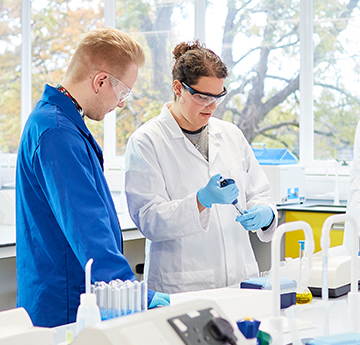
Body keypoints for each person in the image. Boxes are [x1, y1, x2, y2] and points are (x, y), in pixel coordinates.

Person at [16, 28, 169, 328]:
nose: (122, 103)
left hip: (66, 293)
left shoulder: (58, 122)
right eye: (123, 92)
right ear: (100, 81)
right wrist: (131, 292)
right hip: (66, 303)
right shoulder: (57, 133)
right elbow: (86, 226)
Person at [125, 40, 278, 294]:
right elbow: (149, 220)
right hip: (184, 285)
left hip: (241, 278)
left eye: (218, 96)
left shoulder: (231, 134)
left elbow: (260, 193)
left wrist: (265, 213)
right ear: (178, 88)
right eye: (203, 97)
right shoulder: (147, 141)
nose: (213, 105)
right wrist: (201, 200)